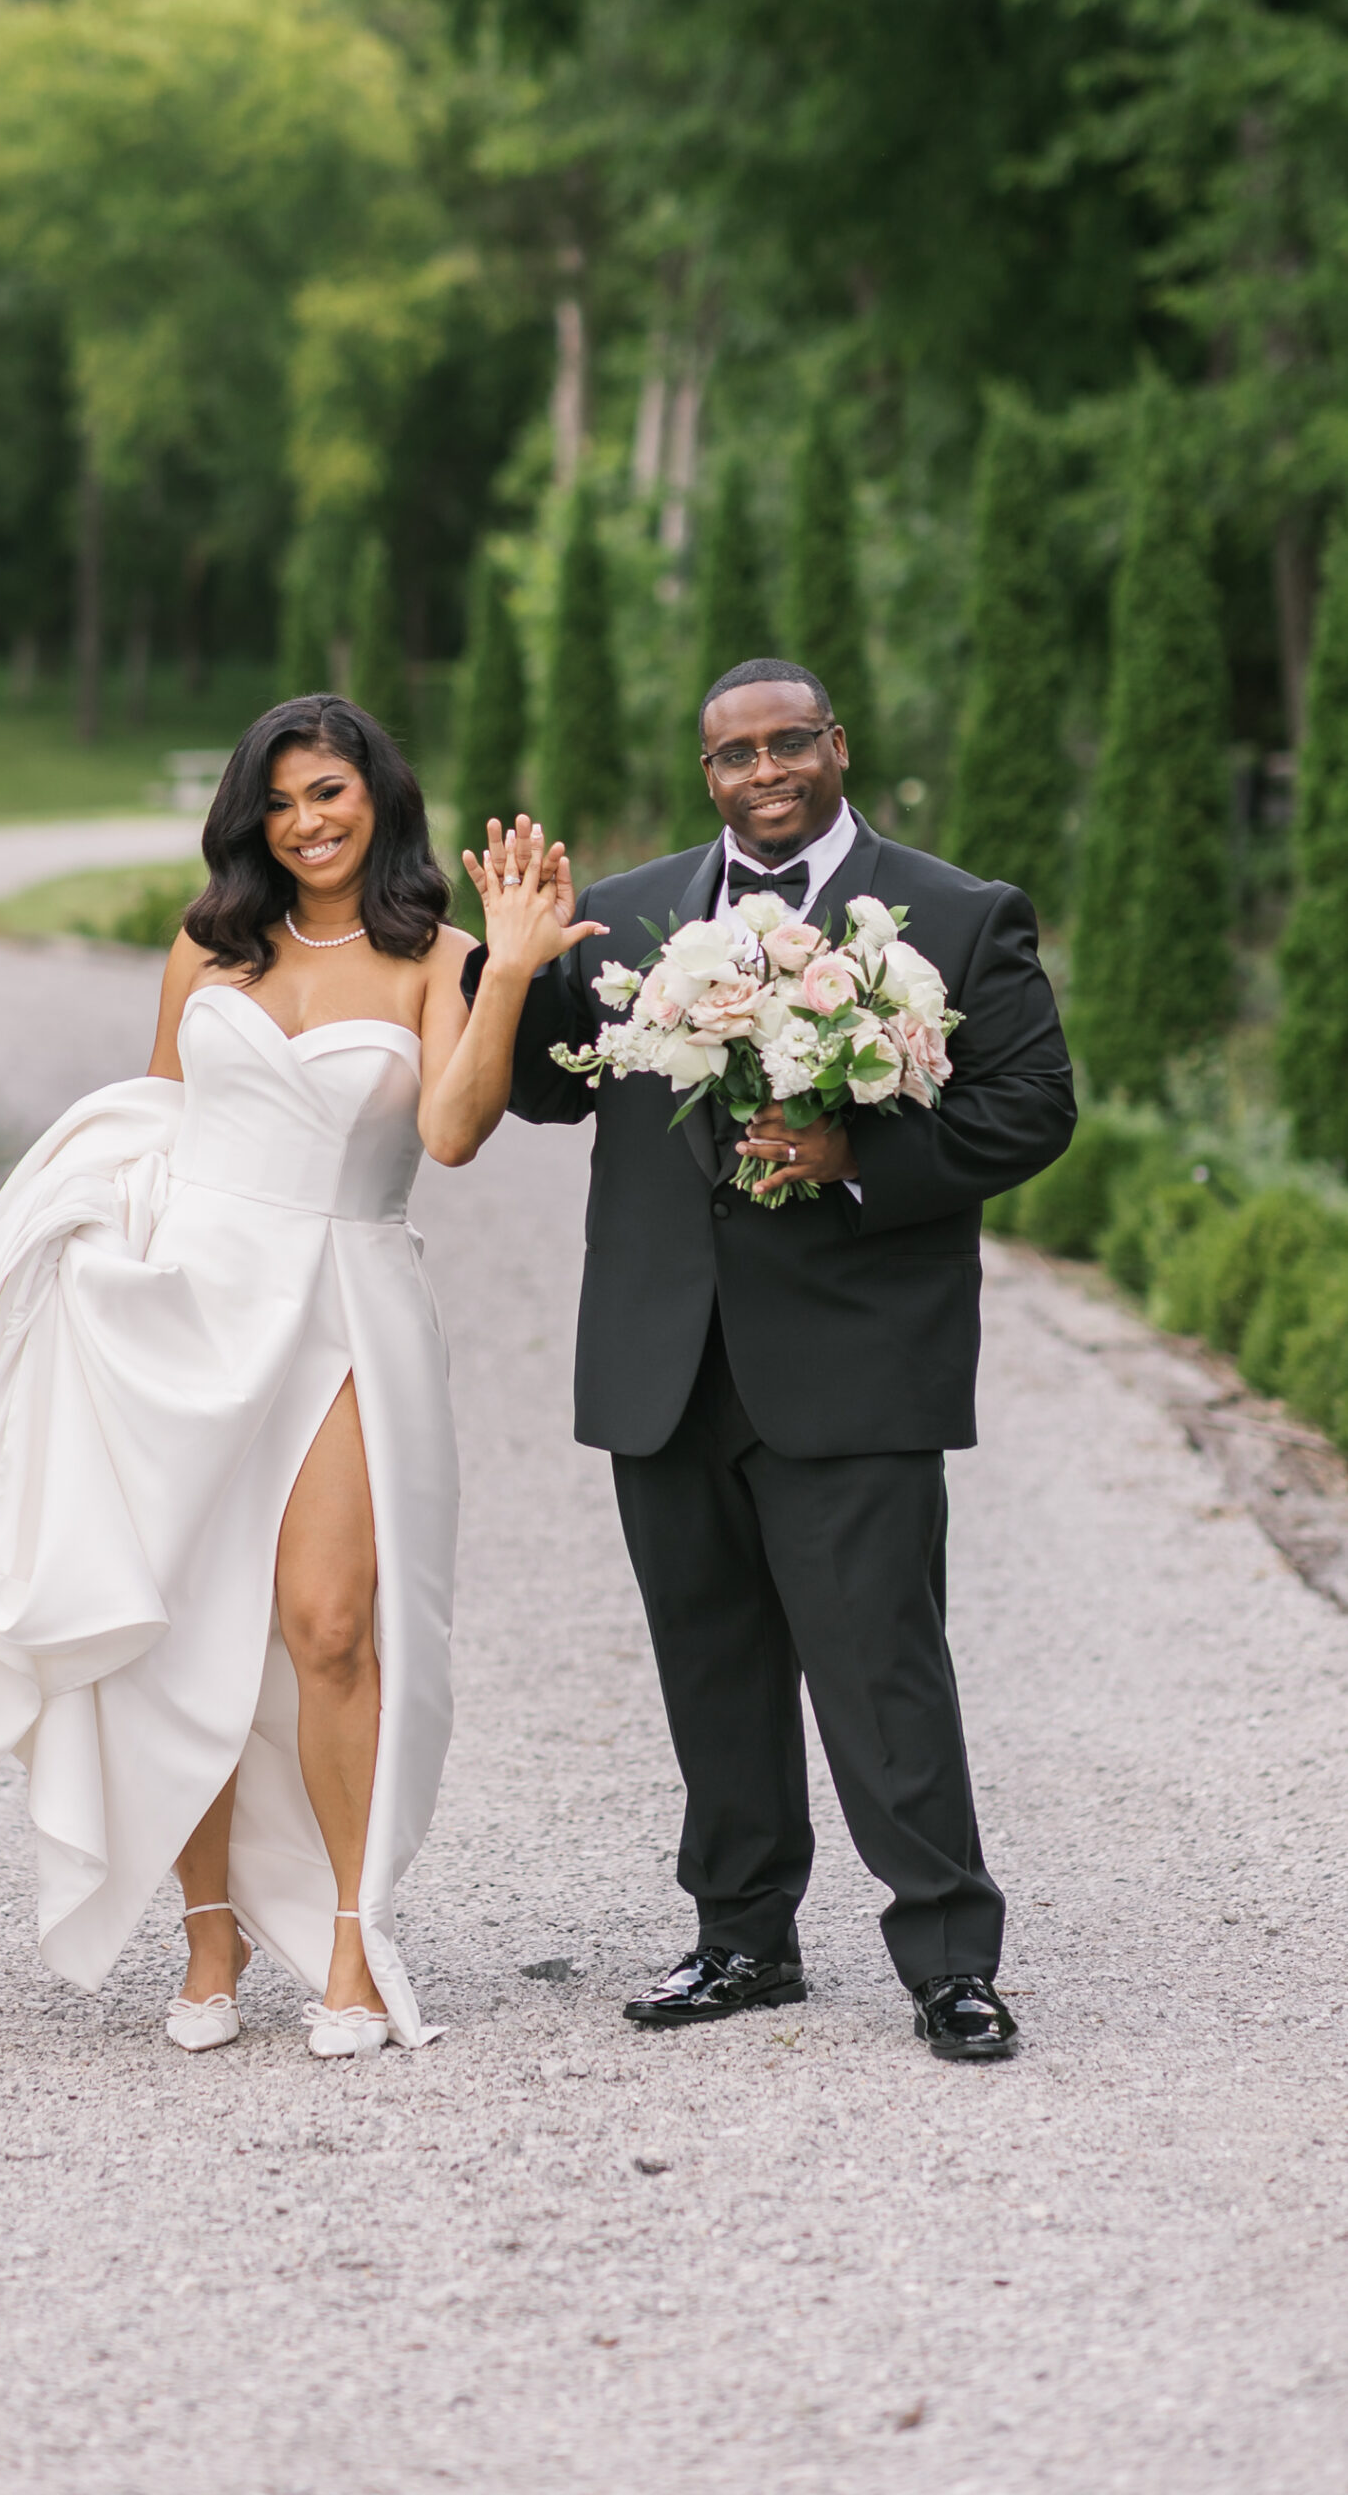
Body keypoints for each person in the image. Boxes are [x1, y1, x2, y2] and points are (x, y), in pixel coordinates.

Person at [0, 695, 600, 2059]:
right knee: (181, 1630)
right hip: (184, 1304)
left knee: (328, 1623)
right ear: (255, 815)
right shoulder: (210, 941)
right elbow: (157, 1118)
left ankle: (356, 1943)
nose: (310, 822)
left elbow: (456, 1135)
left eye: (333, 795)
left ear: (380, 801)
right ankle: (210, 1938)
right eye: (286, 800)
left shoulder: (445, 954)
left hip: (347, 1301)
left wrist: (519, 967)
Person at [462, 657, 1075, 2061]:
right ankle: (743, 1941)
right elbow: (552, 1091)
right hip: (665, 1357)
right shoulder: (622, 915)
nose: (767, 772)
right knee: (710, 1661)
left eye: (790, 743)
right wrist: (513, 957)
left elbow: (1034, 1109)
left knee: (882, 1665)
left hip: (857, 1361)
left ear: (837, 746)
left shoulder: (959, 916)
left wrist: (864, 1150)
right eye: (736, 755)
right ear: (709, 774)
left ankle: (948, 1960)